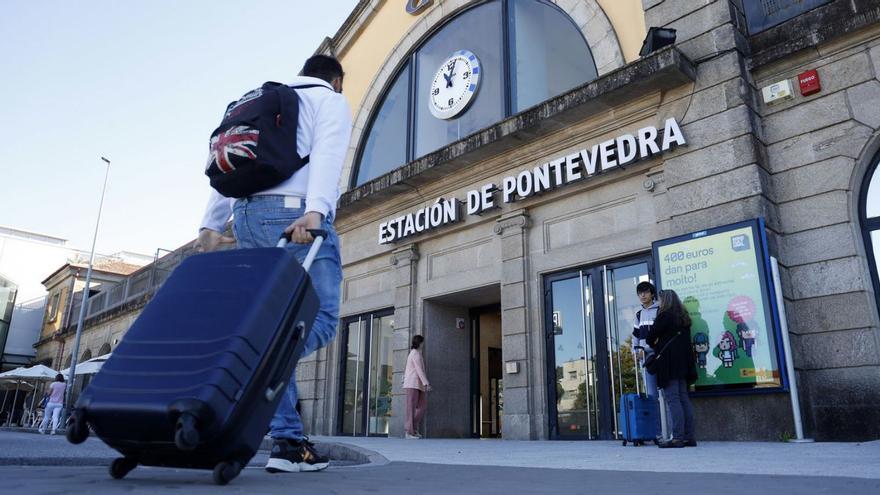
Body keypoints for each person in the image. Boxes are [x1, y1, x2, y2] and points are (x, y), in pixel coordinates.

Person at [196, 55, 352, 473]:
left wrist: (211, 225)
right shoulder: (329, 101)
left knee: (275, 325)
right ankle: (259, 369)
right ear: (336, 80)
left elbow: (235, 162)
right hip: (295, 216)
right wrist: (316, 211)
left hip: (247, 216)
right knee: (320, 319)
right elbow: (329, 154)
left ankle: (287, 443)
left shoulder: (262, 99)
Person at [647, 289, 698, 448]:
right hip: (684, 364)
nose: (658, 303)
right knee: (683, 399)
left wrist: (657, 345)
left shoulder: (665, 316)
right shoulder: (684, 318)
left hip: (669, 364)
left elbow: (650, 337)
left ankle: (677, 438)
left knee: (673, 399)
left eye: (660, 300)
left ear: (665, 301)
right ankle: (689, 437)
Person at [631, 280, 662, 442]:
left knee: (666, 394)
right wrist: (635, 351)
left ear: (651, 293)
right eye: (640, 293)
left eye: (645, 292)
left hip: (660, 356)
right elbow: (635, 337)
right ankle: (657, 433)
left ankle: (670, 431)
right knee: (652, 396)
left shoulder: (660, 310)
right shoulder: (638, 314)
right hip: (646, 359)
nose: (642, 295)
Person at [403, 335, 431, 439]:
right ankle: (409, 432)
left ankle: (413, 428)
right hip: (412, 383)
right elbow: (419, 369)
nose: (424, 344)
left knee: (422, 407)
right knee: (411, 408)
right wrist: (426, 383)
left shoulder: (417, 354)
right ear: (419, 343)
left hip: (418, 384)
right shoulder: (415, 354)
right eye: (423, 342)